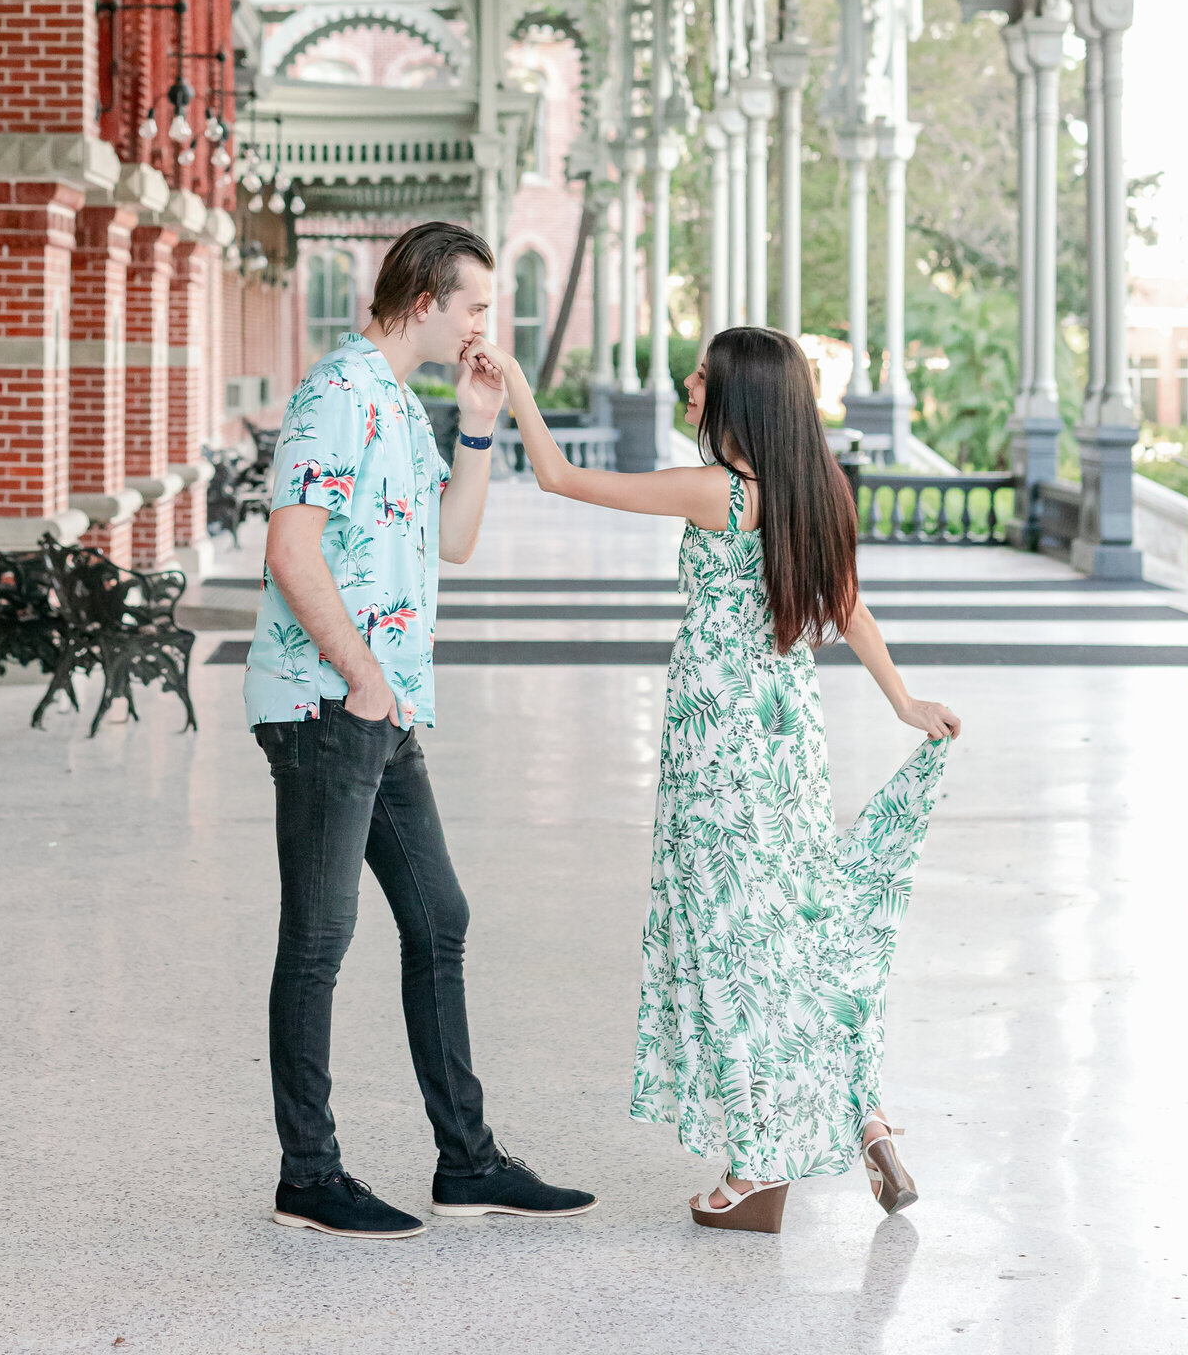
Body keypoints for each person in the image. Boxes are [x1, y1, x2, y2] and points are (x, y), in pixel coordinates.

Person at [484, 322, 960, 1234]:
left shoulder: (718, 491)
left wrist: (514, 381)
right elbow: (847, 605)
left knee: (728, 947)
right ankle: (864, 1116)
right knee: (792, 927)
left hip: (717, 742)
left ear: (741, 397)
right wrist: (900, 700)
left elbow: (560, 476)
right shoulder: (809, 492)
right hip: (788, 736)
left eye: (704, 378)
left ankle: (755, 1166)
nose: (689, 386)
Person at [246, 220, 596, 1239]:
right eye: (477, 306)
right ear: (426, 300)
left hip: (381, 706)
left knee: (437, 919)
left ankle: (467, 1162)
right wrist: (359, 676)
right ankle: (308, 1178)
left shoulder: (401, 404)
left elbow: (455, 541)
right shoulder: (337, 397)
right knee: (317, 940)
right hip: (327, 702)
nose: (489, 324)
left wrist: (478, 422)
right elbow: (289, 549)